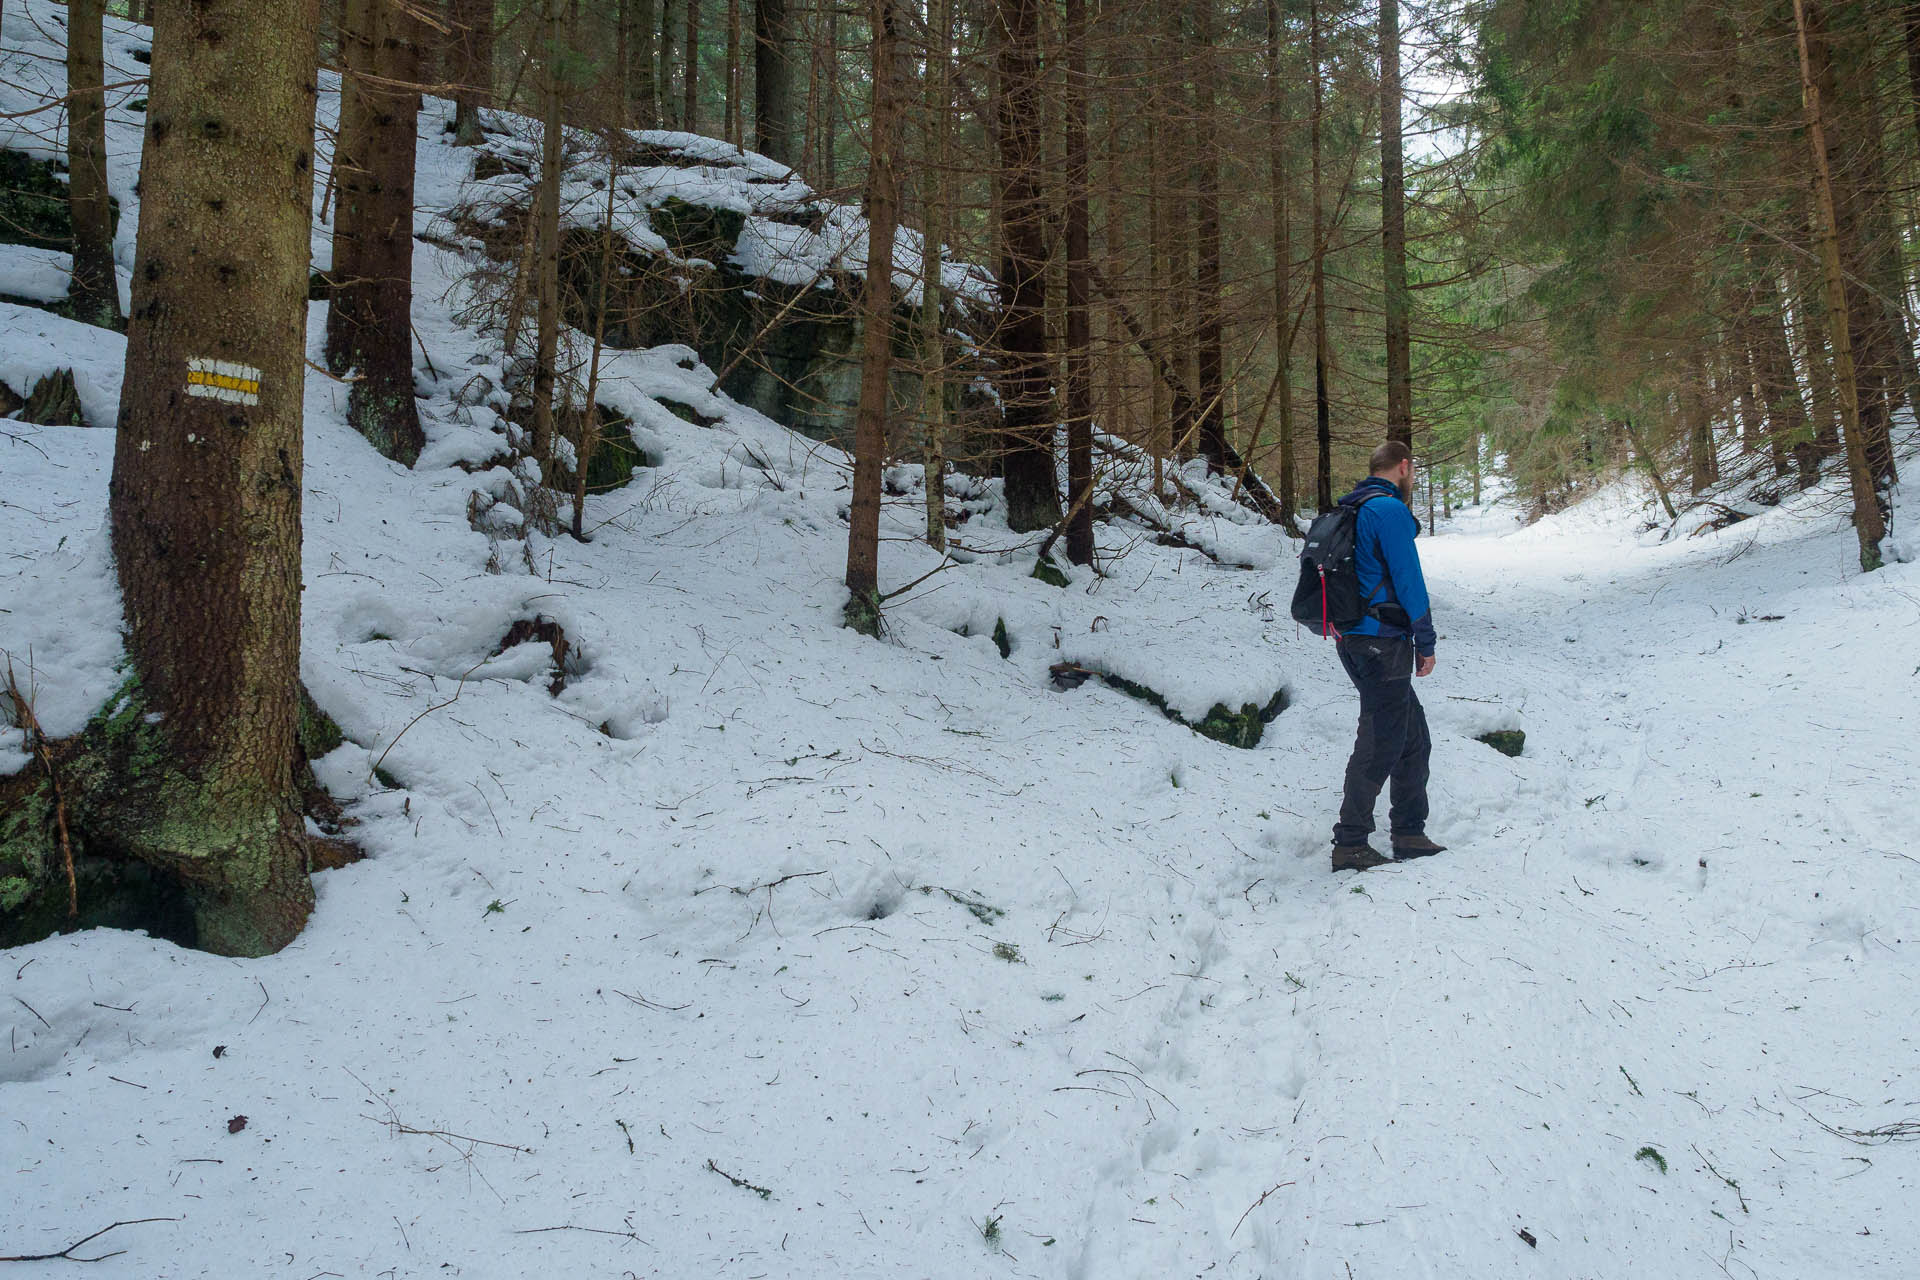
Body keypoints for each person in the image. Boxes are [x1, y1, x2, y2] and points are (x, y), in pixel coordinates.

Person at [1329, 441, 1445, 871]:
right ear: (1404, 467)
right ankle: (1351, 842)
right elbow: (1409, 582)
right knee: (1380, 740)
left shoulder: (1353, 507)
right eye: (1412, 473)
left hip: (1355, 640)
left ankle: (1409, 832)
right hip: (1382, 643)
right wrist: (1426, 641)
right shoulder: (1389, 511)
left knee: (1412, 737)